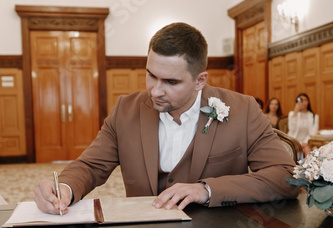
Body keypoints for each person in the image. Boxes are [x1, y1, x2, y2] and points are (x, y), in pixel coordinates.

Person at [35, 22, 299, 215]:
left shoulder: (243, 110)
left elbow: (285, 178)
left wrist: (206, 190)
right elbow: (91, 167)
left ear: (200, 80)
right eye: (151, 75)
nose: (155, 90)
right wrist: (66, 188)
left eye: (171, 81)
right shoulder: (126, 110)